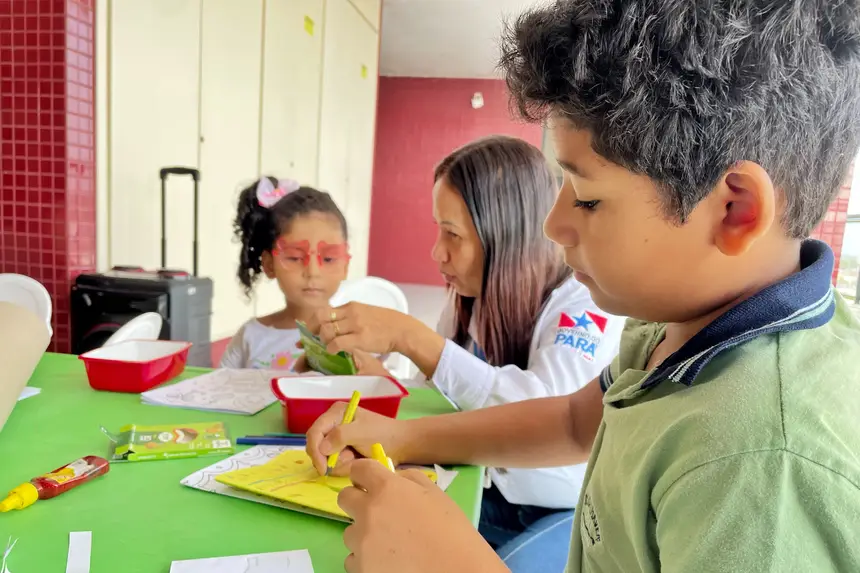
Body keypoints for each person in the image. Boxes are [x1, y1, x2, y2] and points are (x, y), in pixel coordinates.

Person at [304, 1, 860, 572]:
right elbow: (573, 421)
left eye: (588, 197)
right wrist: (404, 438)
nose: (553, 226)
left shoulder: (761, 461)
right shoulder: (674, 323)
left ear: (734, 210)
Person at [313, 136, 625, 569]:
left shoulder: (582, 304)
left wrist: (413, 339)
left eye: (452, 234)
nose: (436, 253)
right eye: (438, 229)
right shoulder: (470, 303)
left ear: (508, 232)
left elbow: (548, 413)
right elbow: (440, 405)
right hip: (483, 490)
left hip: (561, 512)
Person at [220, 177, 350, 370]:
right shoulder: (251, 337)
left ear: (346, 263)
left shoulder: (358, 334)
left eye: (329, 258)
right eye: (295, 258)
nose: (313, 272)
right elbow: (221, 391)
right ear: (270, 264)